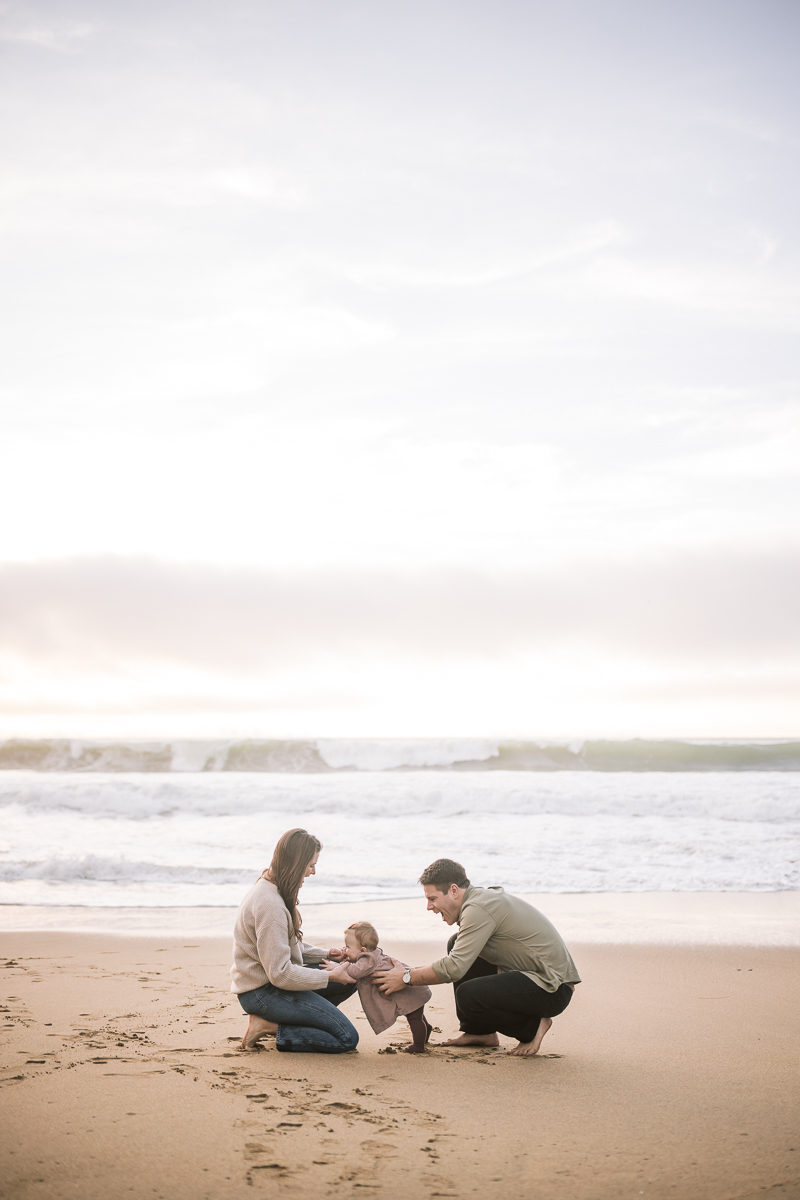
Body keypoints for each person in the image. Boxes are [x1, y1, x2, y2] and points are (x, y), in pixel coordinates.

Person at [373, 858, 580, 1056]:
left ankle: (532, 1028)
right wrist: (408, 972)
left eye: (432, 899)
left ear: (454, 890)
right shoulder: (478, 900)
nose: (429, 906)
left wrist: (406, 978)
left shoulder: (478, 909)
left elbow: (453, 968)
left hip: (553, 988)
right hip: (537, 976)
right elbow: (457, 959)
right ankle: (480, 1032)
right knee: (456, 943)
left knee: (468, 995)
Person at [231, 828, 359, 1054]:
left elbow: (283, 946)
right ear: (295, 864)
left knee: (349, 977)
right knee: (346, 1038)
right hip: (261, 992)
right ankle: (268, 1025)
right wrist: (330, 975)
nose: (313, 872)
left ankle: (303, 1021)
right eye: (310, 865)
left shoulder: (272, 887)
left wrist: (327, 955)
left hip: (272, 984)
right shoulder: (270, 905)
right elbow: (280, 973)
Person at [323, 921, 432, 1053]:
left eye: (347, 947)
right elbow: (355, 964)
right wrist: (347, 955)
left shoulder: (367, 960)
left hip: (409, 992)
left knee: (414, 1019)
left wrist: (336, 967)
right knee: (417, 1016)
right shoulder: (372, 954)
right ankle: (426, 1030)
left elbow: (355, 971)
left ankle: (419, 1045)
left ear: (363, 950)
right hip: (409, 991)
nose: (344, 949)